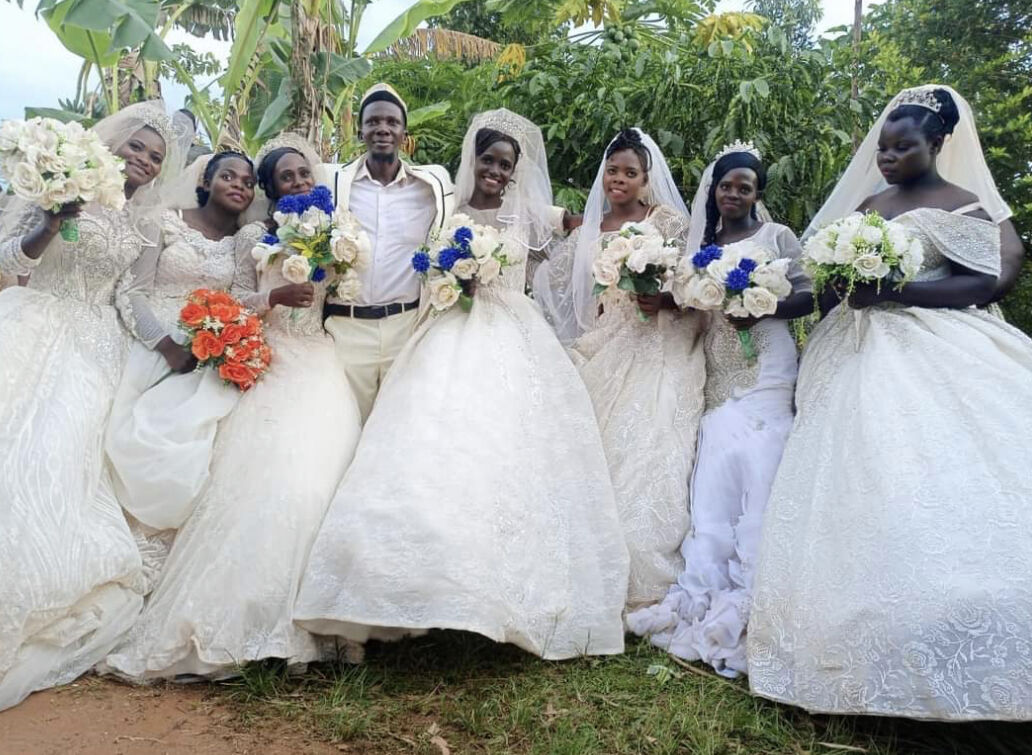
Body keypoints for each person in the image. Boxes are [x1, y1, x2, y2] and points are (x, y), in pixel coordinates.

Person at [293, 109, 629, 659]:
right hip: (449, 330)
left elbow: (591, 227)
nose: (495, 170)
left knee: (507, 454)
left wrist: (638, 247)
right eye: (488, 161)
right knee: (428, 447)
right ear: (473, 161)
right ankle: (408, 590)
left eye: (505, 164)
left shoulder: (532, 216)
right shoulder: (445, 206)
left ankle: (500, 588)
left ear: (516, 171)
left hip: (515, 336)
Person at [747, 85, 1032, 720]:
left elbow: (995, 278)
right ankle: (856, 644)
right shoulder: (868, 204)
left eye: (904, 146)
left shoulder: (968, 205)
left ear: (937, 145)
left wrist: (901, 291)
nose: (889, 156)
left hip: (937, 346)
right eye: (883, 147)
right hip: (851, 352)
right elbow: (825, 289)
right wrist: (756, 301)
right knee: (861, 481)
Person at [104, 135, 362, 681]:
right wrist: (269, 301)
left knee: (323, 479)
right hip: (267, 358)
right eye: (284, 177)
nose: (298, 182)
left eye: (304, 174)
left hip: (319, 359)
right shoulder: (255, 237)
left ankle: (323, 622)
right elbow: (240, 294)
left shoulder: (341, 232)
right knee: (258, 479)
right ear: (271, 191)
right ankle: (248, 621)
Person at [0, 101, 182, 711]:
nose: (145, 161)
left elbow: (131, 297)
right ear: (112, 144)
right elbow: (8, 263)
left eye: (155, 157)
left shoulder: (146, 225)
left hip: (95, 348)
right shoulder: (54, 188)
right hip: (31, 324)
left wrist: (168, 345)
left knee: (64, 455)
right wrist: (50, 220)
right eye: (137, 147)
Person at [626, 143, 812, 677]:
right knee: (715, 470)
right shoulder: (702, 244)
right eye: (725, 186)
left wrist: (762, 303)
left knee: (761, 461)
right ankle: (704, 586)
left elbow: (808, 296)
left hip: (769, 363)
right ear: (714, 191)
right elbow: (690, 303)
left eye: (744, 187)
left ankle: (759, 591)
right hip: (719, 364)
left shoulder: (776, 238)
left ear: (758, 194)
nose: (733, 194)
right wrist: (661, 300)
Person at [534, 128, 706, 610]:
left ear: (647, 179)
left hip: (663, 339)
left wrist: (666, 297)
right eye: (613, 171)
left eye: (631, 173)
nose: (619, 180)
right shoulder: (590, 228)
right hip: (608, 339)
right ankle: (591, 558)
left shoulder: (668, 221)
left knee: (651, 439)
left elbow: (696, 283)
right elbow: (556, 280)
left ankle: (645, 565)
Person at [105, 152, 259, 552]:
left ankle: (166, 545)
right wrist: (165, 345)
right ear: (205, 182)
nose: (240, 185)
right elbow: (133, 291)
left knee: (197, 440)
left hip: (205, 353)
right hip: (150, 342)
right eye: (229, 176)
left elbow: (241, 298)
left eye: (248, 181)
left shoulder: (240, 244)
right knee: (123, 433)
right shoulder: (166, 222)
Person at [324, 82, 454, 423]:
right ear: (361, 130)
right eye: (373, 121)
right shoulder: (333, 181)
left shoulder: (432, 187)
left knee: (399, 429)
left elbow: (482, 199)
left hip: (406, 326)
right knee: (345, 428)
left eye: (391, 122)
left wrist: (558, 218)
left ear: (403, 132)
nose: (382, 128)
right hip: (345, 328)